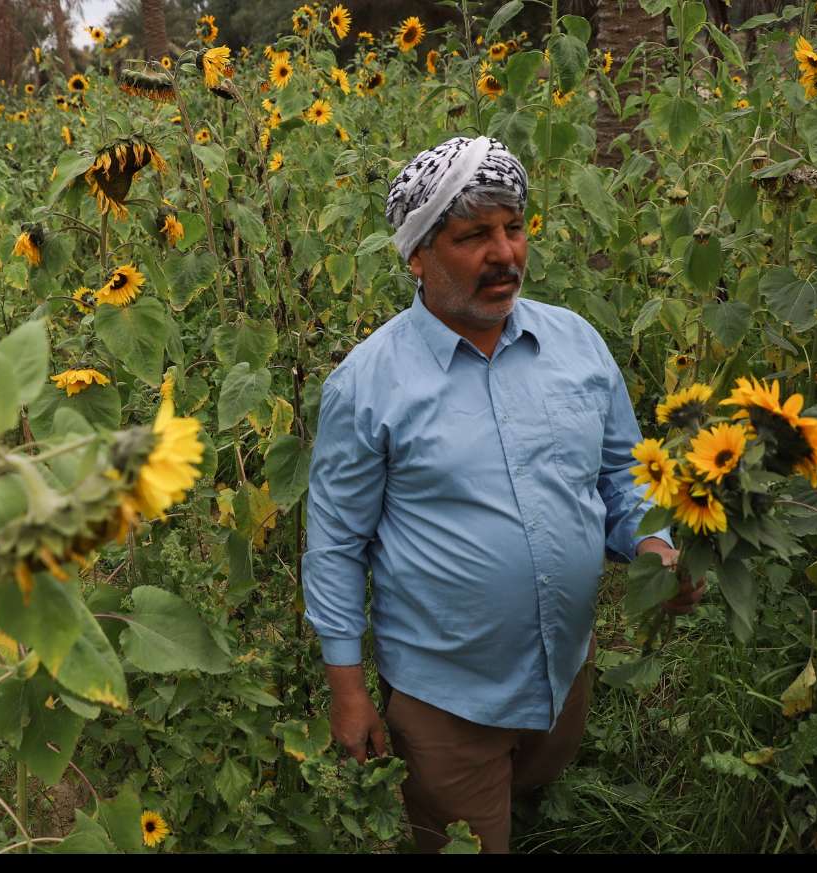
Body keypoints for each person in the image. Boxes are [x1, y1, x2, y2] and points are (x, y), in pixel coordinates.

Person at [301, 136, 704, 853]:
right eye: (474, 236)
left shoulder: (576, 345)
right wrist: (348, 688)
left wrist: (654, 544)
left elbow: (624, 474)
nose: (505, 253)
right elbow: (336, 546)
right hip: (446, 702)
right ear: (418, 256)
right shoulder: (369, 385)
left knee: (533, 799)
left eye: (513, 227)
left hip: (564, 678)